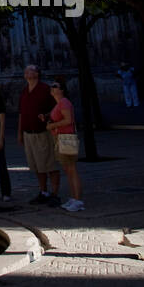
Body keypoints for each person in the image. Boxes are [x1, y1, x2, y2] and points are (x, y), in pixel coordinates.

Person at [17, 63, 60, 206]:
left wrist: (47, 116)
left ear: (37, 74)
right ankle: (43, 191)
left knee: (49, 164)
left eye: (29, 70)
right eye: (25, 71)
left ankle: (54, 193)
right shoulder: (24, 91)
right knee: (36, 165)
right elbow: (21, 114)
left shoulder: (45, 89)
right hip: (29, 133)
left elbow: (57, 107)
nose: (26, 73)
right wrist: (20, 132)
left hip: (43, 132)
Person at [46, 77, 83, 211]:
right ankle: (73, 198)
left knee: (72, 170)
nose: (52, 88)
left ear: (61, 90)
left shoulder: (64, 102)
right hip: (60, 138)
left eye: (55, 86)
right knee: (67, 170)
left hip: (67, 138)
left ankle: (78, 200)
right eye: (52, 86)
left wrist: (53, 125)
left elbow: (68, 120)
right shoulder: (58, 103)